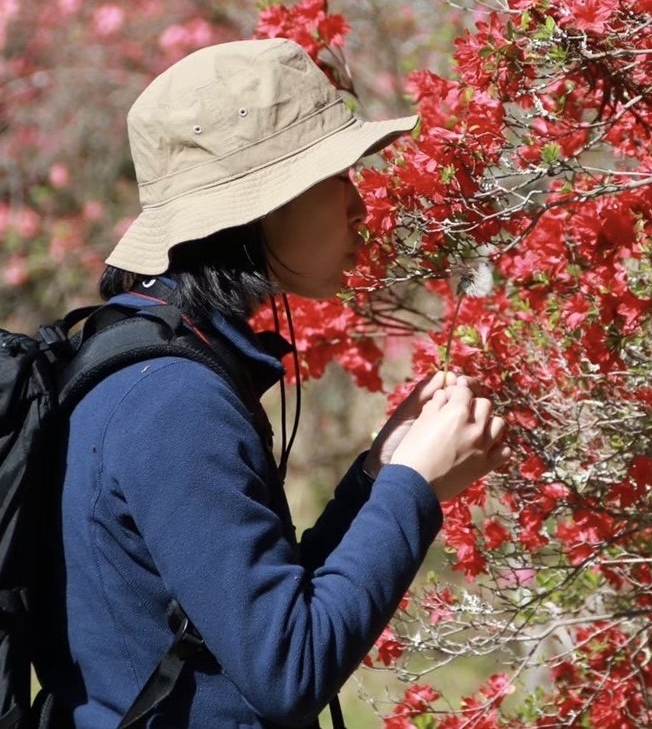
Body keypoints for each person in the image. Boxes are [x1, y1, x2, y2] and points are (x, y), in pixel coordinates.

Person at [32, 37, 510, 727]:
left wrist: (374, 480)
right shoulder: (174, 399)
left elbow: (257, 615)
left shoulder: (161, 358)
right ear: (258, 208)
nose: (359, 206)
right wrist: (414, 489)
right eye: (336, 176)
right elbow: (288, 669)